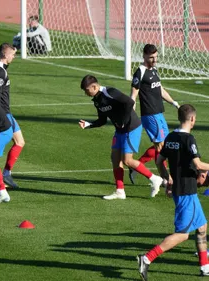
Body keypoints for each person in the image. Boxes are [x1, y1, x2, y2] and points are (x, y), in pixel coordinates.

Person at [137, 104, 209, 280]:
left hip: (179, 189)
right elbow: (198, 165)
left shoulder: (170, 137)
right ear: (192, 119)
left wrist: (167, 179)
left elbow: (159, 160)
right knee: (183, 234)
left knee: (201, 228)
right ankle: (146, 258)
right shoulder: (189, 139)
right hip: (187, 191)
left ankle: (205, 267)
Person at [79, 75, 164, 200]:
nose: (86, 93)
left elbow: (129, 102)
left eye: (87, 90)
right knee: (115, 158)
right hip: (120, 130)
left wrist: (123, 121)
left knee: (127, 160)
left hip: (131, 127)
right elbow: (102, 120)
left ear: (94, 86)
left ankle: (155, 179)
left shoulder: (110, 92)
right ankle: (120, 191)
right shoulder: (97, 101)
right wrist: (88, 125)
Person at [129, 44, 180, 185]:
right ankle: (167, 180)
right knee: (161, 148)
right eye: (151, 57)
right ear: (144, 56)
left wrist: (174, 103)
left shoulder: (154, 70)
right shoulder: (140, 72)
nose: (154, 60)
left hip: (159, 114)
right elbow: (133, 94)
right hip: (150, 115)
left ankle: (136, 166)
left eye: (156, 57)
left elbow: (160, 90)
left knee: (165, 145)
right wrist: (131, 114)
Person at [0, 43, 25, 188]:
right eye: (12, 55)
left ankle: (6, 174)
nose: (13, 57)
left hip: (5, 112)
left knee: (20, 142)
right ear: (4, 55)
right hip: (3, 113)